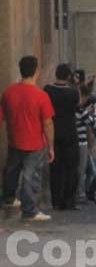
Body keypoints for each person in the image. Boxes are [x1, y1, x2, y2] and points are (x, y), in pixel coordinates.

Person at [0, 56, 54, 221]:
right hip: (35, 143)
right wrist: (51, 146)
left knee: (12, 171)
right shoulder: (41, 96)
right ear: (36, 71)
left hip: (14, 140)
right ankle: (29, 210)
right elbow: (47, 124)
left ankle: (9, 198)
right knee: (31, 176)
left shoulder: (8, 92)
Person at [45, 64, 80, 211]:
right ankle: (69, 201)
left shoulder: (48, 90)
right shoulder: (72, 92)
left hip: (53, 132)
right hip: (70, 133)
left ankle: (56, 201)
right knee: (71, 168)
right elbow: (78, 104)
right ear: (67, 76)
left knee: (55, 169)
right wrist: (77, 85)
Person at [75, 84, 96, 204]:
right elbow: (93, 123)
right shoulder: (79, 110)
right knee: (82, 170)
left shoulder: (78, 110)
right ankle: (81, 195)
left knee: (89, 170)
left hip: (80, 143)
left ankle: (84, 193)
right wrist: (94, 113)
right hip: (81, 143)